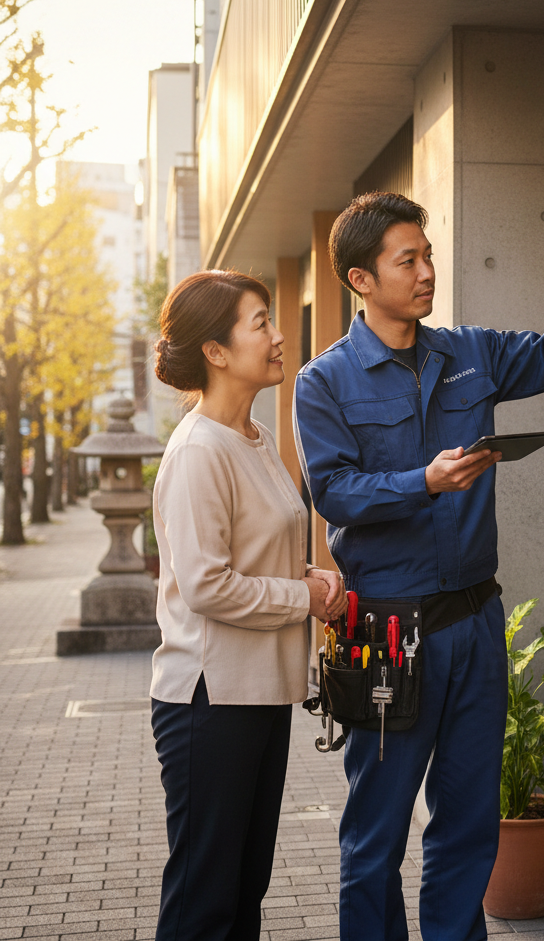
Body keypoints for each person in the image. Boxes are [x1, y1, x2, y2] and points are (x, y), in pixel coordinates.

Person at [293, 192, 544, 941]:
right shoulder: (324, 381)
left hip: (475, 620)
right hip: (385, 633)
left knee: (466, 826)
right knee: (376, 836)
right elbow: (332, 492)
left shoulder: (470, 353)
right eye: (410, 260)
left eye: (428, 255)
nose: (427, 271)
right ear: (361, 279)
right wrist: (421, 482)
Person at [149, 269, 346, 940]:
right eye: (259, 322)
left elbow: (256, 554)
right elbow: (206, 585)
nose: (278, 334)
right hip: (208, 701)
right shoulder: (199, 451)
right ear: (215, 351)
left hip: (258, 692)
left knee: (243, 893)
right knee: (207, 898)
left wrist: (310, 578)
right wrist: (303, 595)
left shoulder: (255, 440)